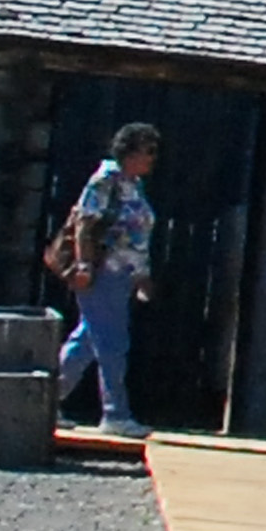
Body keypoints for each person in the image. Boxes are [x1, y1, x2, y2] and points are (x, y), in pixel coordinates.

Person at [54, 121, 160, 439]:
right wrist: (84, 266)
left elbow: (137, 234)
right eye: (147, 151)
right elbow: (86, 224)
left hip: (121, 275)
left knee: (86, 341)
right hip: (101, 273)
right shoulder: (106, 180)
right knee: (112, 342)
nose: (152, 158)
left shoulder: (133, 184)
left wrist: (141, 274)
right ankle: (116, 413)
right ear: (130, 152)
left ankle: (45, 400)